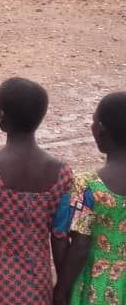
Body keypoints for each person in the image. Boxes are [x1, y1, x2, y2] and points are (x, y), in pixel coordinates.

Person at [0, 78, 73, 305]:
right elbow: (60, 238)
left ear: (0, 115)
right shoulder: (62, 174)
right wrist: (62, 288)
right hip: (37, 284)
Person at [55, 91, 126, 305]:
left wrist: (61, 290)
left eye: (94, 120)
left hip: (97, 286)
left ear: (101, 130)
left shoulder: (87, 186)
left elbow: (79, 246)